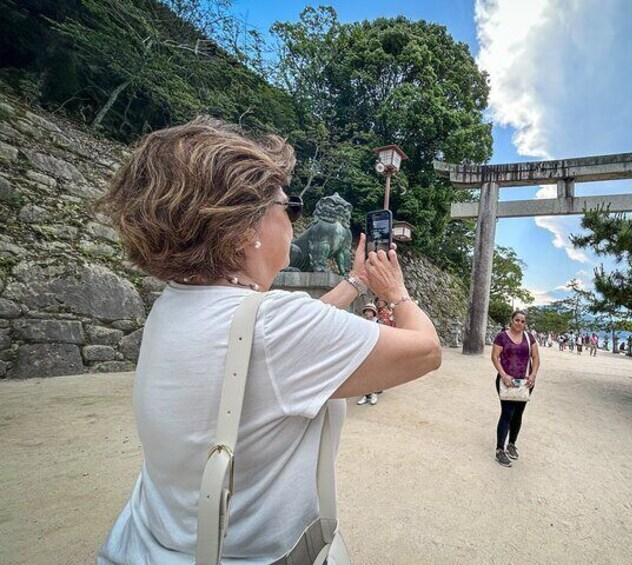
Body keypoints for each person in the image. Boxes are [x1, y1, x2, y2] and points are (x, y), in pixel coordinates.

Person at [94, 116, 441, 564]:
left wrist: (356, 281)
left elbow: (287, 329)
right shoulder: (277, 326)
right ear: (244, 231)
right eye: (289, 207)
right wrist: (396, 291)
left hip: (153, 540)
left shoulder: (177, 302)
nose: (296, 221)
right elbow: (426, 350)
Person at [491, 310, 540, 468]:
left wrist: (532, 375)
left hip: (525, 382)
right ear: (511, 320)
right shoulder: (502, 337)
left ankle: (511, 443)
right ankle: (500, 449)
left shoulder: (529, 337)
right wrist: (504, 375)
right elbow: (495, 357)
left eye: (522, 321)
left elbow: (536, 357)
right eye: (517, 320)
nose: (519, 323)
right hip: (507, 380)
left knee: (518, 413)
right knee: (507, 413)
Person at [357, 303, 381, 406]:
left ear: (374, 312)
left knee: (375, 372)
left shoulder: (379, 322)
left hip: (375, 349)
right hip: (364, 350)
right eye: (366, 311)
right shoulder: (361, 322)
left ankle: (374, 393)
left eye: (370, 311)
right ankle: (366, 395)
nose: (368, 313)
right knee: (364, 373)